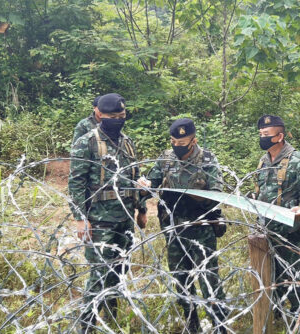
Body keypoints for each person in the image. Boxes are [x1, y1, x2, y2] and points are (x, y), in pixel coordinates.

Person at [68, 93, 147, 333]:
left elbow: (135, 177)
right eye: (113, 116)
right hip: (99, 220)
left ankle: (111, 315)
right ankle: (87, 324)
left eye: (121, 116)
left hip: (124, 218)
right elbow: (76, 184)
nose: (118, 120)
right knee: (99, 274)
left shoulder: (128, 142)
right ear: (100, 115)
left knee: (119, 269)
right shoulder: (87, 142)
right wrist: (81, 219)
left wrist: (141, 209)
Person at [143, 118, 228, 333]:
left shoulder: (207, 159)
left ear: (193, 141)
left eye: (182, 143)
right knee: (181, 277)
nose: (176, 147)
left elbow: (218, 191)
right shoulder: (166, 158)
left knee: (208, 278)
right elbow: (151, 182)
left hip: (201, 229)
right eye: (173, 141)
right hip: (173, 228)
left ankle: (219, 325)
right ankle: (191, 321)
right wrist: (145, 185)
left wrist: (200, 198)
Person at [253, 115, 300, 323]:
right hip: (265, 229)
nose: (263, 138)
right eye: (261, 134)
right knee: (270, 274)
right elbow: (260, 191)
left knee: (292, 274)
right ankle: (277, 314)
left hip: (287, 231)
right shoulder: (264, 160)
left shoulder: (297, 160)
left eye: (267, 135)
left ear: (280, 136)